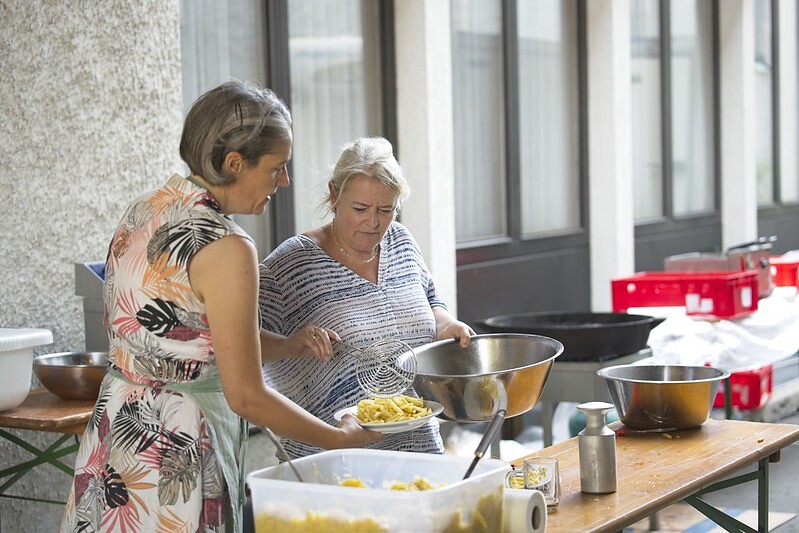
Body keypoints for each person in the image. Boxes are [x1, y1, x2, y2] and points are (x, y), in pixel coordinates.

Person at [60, 81, 381, 533]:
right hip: (176, 448)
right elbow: (246, 395)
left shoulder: (145, 209)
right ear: (234, 164)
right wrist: (338, 439)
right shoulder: (227, 245)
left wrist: (287, 345)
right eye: (276, 168)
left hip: (116, 433)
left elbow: (183, 333)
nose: (284, 182)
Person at [258, 136, 475, 460]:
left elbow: (431, 301)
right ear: (334, 194)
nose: (373, 223)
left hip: (420, 452)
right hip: (331, 461)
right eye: (360, 209)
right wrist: (290, 344)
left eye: (385, 210)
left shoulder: (401, 241)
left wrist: (446, 325)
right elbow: (236, 343)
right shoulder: (294, 263)